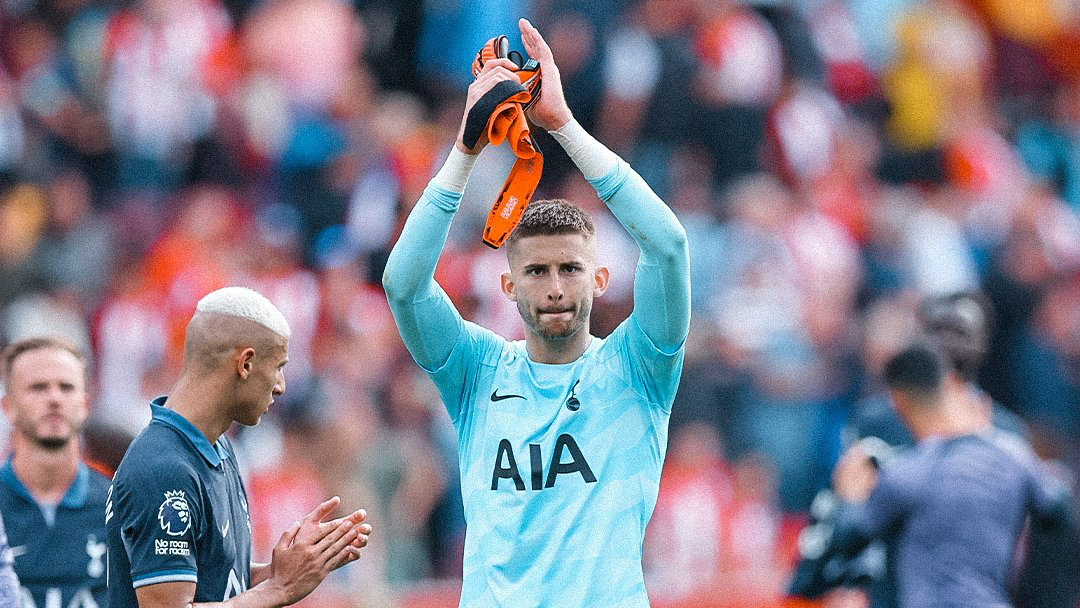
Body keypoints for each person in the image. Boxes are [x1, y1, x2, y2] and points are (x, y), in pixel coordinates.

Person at [382, 18, 690, 607]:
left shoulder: (638, 367)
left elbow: (669, 247)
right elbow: (403, 285)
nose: (555, 286)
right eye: (537, 272)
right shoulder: (477, 371)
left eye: (570, 270)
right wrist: (465, 149)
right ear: (508, 285)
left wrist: (564, 127)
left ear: (600, 280)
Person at [105, 286, 373, 607]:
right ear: (245, 364)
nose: (281, 386)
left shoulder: (222, 450)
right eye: (278, 367)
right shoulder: (163, 468)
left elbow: (215, 581)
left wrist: (284, 570)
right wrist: (279, 589)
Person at [826, 342, 1072, 608]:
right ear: (953, 386)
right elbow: (1060, 511)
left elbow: (848, 539)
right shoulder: (1013, 455)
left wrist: (850, 500)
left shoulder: (909, 471)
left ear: (898, 403)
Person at [0, 336, 111, 607]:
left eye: (66, 387)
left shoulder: (118, 506)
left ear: (85, 405)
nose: (54, 398)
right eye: (38, 388)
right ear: (8, 407)